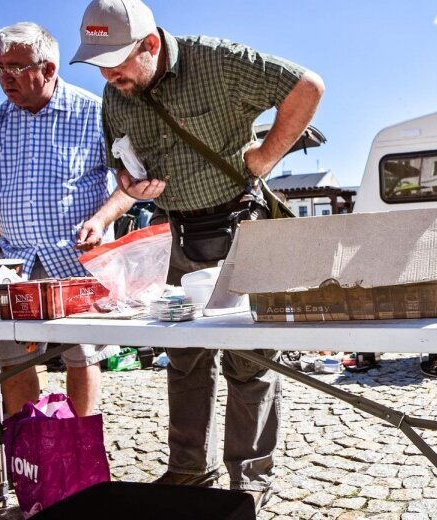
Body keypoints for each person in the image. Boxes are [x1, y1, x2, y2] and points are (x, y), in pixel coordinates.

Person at [72, 0, 324, 510]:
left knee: (249, 361)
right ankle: (189, 471)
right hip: (177, 234)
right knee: (184, 361)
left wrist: (265, 157)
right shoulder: (114, 95)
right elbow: (127, 171)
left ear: (150, 45)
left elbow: (307, 86)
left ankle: (249, 478)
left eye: (117, 61)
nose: (108, 74)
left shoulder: (216, 60)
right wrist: (116, 202)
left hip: (242, 228)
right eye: (99, 63)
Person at [0, 22, 135, 417]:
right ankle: (30, 454)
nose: (6, 76)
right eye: (0, 67)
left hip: (77, 262)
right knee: (12, 361)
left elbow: (131, 182)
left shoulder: (94, 113)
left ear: (49, 69)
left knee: (82, 358)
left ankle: (78, 453)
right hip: (15, 266)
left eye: (17, 66)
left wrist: (102, 217)